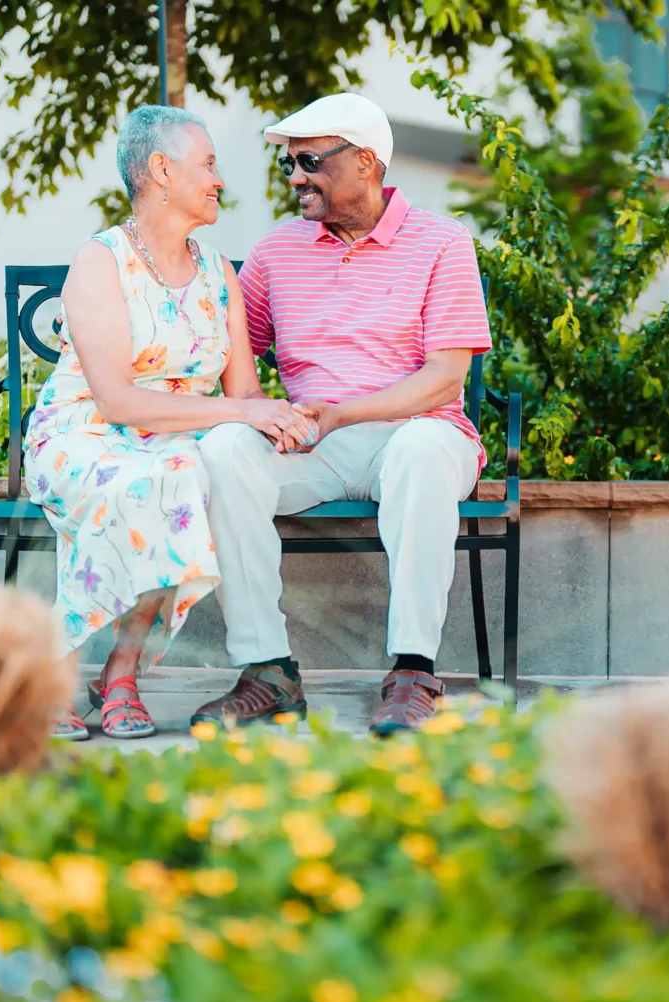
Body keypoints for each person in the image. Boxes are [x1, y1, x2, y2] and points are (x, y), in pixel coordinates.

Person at [194, 93, 493, 735]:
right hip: (314, 442)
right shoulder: (277, 252)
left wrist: (341, 414)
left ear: (365, 162)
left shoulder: (443, 242)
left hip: (419, 434)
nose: (296, 177)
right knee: (222, 452)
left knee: (419, 453)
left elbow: (445, 380)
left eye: (308, 162)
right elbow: (228, 351)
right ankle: (267, 670)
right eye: (289, 165)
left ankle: (413, 673)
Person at [24, 105, 314, 741]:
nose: (218, 180)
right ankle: (53, 673)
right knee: (136, 483)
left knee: (182, 475)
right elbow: (119, 403)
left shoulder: (219, 276)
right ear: (161, 169)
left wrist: (288, 421)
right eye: (207, 164)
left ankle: (122, 675)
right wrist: (243, 412)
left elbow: (245, 394)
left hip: (176, 442)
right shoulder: (101, 260)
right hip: (83, 431)